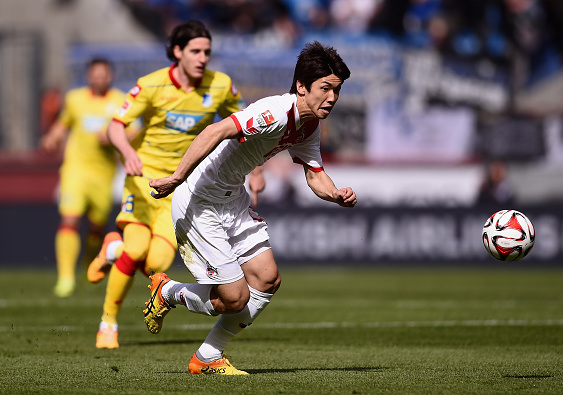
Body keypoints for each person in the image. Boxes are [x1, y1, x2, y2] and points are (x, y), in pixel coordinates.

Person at [143, 41, 357, 375]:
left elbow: (314, 174)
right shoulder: (274, 112)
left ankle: (208, 357)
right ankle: (167, 291)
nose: (332, 97)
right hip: (201, 199)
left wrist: (335, 195)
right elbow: (216, 130)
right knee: (234, 298)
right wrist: (177, 176)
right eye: (325, 88)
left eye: (337, 90)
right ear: (301, 87)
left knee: (268, 279)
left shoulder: (309, 124)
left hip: (233, 198)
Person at [86, 20, 264, 349]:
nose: (202, 58)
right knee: (137, 249)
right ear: (178, 52)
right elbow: (115, 125)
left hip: (179, 187)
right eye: (195, 51)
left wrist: (255, 171)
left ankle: (113, 248)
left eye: (207, 52)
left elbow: (244, 128)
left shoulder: (220, 86)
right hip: (143, 181)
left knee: (156, 265)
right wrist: (126, 151)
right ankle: (108, 322)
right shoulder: (151, 85)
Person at [40, 58, 136, 298]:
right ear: (88, 76)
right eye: (96, 74)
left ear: (110, 76)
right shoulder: (75, 99)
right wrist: (52, 137)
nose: (100, 78)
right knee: (69, 218)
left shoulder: (119, 101)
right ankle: (65, 277)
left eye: (104, 74)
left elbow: (134, 132)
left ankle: (86, 264)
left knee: (96, 226)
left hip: (103, 175)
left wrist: (113, 136)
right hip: (75, 169)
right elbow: (64, 124)